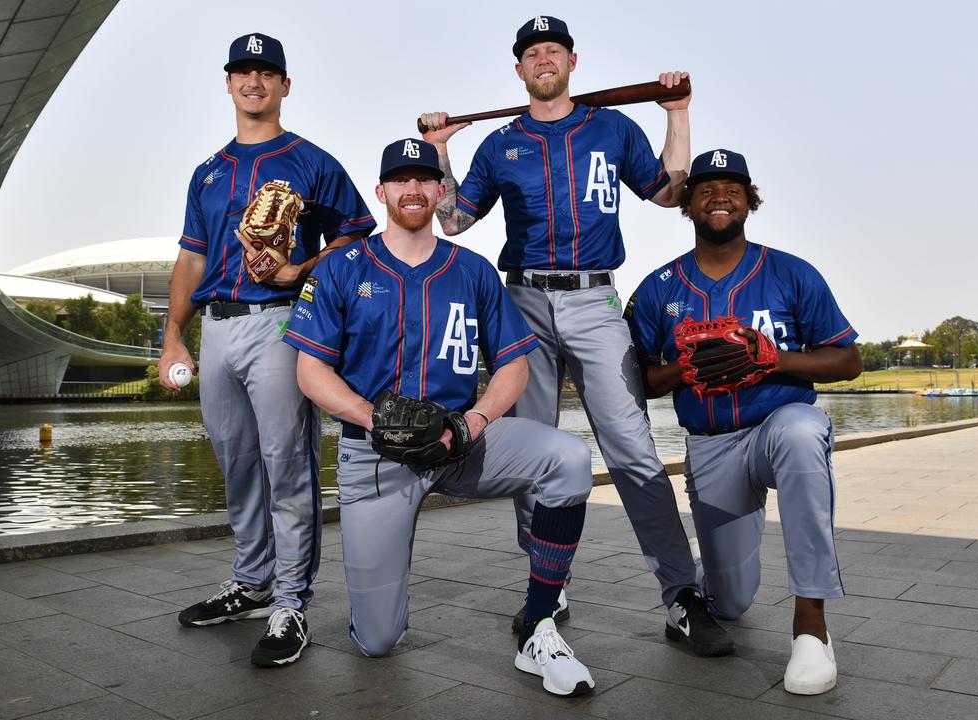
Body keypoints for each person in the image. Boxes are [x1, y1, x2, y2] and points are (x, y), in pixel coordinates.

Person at [418, 15, 732, 655]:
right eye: (531, 53)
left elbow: (669, 194)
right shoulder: (500, 144)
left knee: (634, 452)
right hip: (522, 302)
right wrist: (442, 149)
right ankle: (546, 586)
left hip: (594, 299)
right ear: (519, 70)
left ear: (572, 60)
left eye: (552, 50)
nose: (543, 59)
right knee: (532, 452)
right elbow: (451, 222)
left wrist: (677, 114)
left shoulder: (612, 127)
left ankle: (681, 595)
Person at [286, 138, 596, 697]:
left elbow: (513, 370)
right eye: (400, 180)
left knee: (569, 457)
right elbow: (311, 374)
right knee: (378, 641)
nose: (413, 189)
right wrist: (375, 416)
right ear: (381, 192)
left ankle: (540, 621)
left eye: (424, 179)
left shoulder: (473, 270)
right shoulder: (339, 268)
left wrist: (471, 423)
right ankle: (376, 606)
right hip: (375, 451)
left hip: (460, 443)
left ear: (439, 190)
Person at [160, 32, 375, 668]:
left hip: (284, 321)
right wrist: (173, 332)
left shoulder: (312, 161)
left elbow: (360, 238)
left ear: (285, 85)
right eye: (243, 71)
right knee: (237, 464)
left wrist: (300, 267)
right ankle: (251, 583)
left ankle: (290, 603)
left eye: (266, 72)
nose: (254, 82)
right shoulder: (208, 171)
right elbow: (191, 256)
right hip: (217, 325)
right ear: (228, 83)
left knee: (288, 462)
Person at [625, 148, 862, 695]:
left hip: (778, 423)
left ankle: (812, 626)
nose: (720, 196)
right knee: (730, 602)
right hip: (712, 445)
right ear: (687, 203)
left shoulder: (791, 271)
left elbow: (848, 360)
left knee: (803, 434)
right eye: (706, 187)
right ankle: (706, 588)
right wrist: (681, 370)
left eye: (732, 187)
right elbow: (638, 379)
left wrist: (772, 358)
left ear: (749, 200)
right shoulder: (659, 287)